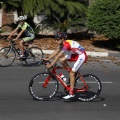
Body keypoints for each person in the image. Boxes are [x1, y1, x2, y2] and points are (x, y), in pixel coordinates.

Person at [44, 32, 87, 100]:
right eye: (56, 39)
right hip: (75, 54)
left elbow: (58, 55)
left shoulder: (66, 44)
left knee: (72, 73)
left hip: (81, 55)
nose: (56, 41)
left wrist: (51, 64)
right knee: (62, 60)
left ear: (63, 39)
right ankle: (71, 72)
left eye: (57, 39)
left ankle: (71, 93)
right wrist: (48, 58)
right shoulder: (62, 44)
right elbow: (56, 51)